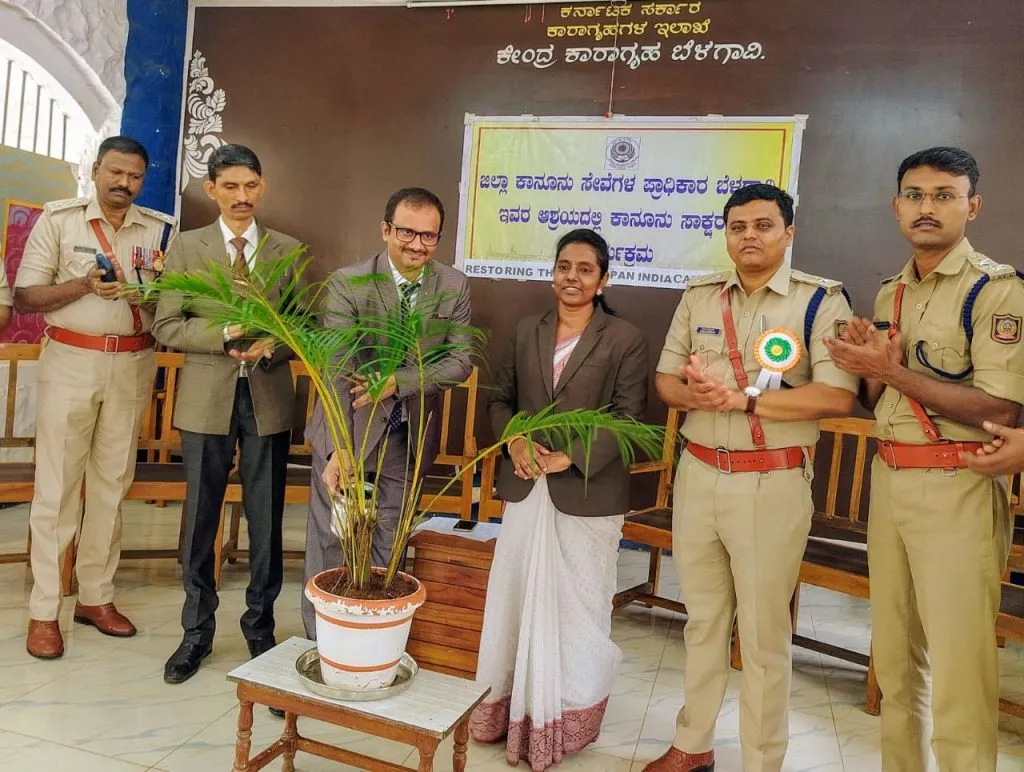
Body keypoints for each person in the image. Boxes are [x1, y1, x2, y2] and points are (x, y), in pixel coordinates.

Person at [824, 147, 1024, 771]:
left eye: (944, 195)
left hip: (958, 483)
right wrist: (869, 367)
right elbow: (878, 396)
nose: (927, 208)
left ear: (973, 205)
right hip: (891, 480)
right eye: (915, 195)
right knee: (892, 658)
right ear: (896, 206)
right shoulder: (891, 292)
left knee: (961, 663)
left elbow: (1001, 409)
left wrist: (893, 371)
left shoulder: (996, 289)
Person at [646, 184, 858, 772]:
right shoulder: (700, 297)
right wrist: (698, 392)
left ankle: (764, 761)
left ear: (788, 233)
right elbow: (666, 382)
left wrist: (739, 399)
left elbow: (838, 397)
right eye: (738, 226)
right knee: (703, 622)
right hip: (699, 475)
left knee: (763, 638)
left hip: (772, 482)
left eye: (763, 225)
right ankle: (692, 747)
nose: (749, 236)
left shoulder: (820, 302)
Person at [470, 228, 648, 771]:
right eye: (564, 266)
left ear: (603, 279)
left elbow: (629, 419)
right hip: (527, 487)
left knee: (579, 610)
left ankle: (564, 721)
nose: (572, 276)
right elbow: (498, 401)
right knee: (517, 599)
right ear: (553, 271)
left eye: (585, 269)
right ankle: (509, 713)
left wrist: (569, 457)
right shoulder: (528, 330)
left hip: (587, 494)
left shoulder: (624, 338)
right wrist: (516, 439)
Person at [15, 136, 175, 660]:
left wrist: (143, 295)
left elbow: (172, 301)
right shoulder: (59, 221)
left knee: (111, 486)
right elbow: (25, 297)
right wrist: (83, 285)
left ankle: (95, 597)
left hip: (132, 364)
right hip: (70, 361)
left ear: (141, 179)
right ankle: (44, 610)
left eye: (132, 176)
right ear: (95, 170)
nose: (122, 183)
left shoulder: (157, 229)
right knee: (57, 490)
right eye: (114, 173)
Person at [153, 144, 303, 685]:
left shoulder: (287, 249)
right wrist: (221, 337)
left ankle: (259, 630)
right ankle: (196, 633)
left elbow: (300, 325)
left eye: (251, 186)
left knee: (265, 521)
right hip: (205, 398)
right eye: (231, 186)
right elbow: (166, 325)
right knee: (200, 521)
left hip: (267, 399)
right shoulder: (188, 248)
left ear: (263, 187)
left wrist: (273, 346)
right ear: (211, 189)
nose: (242, 197)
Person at [302, 187, 472, 640]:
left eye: (429, 236)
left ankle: (373, 646)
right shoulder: (348, 282)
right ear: (385, 230)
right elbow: (336, 366)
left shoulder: (452, 285)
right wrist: (340, 447)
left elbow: (458, 362)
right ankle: (323, 648)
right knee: (331, 542)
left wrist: (399, 382)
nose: (417, 245)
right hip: (348, 430)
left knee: (388, 545)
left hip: (406, 435)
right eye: (407, 233)